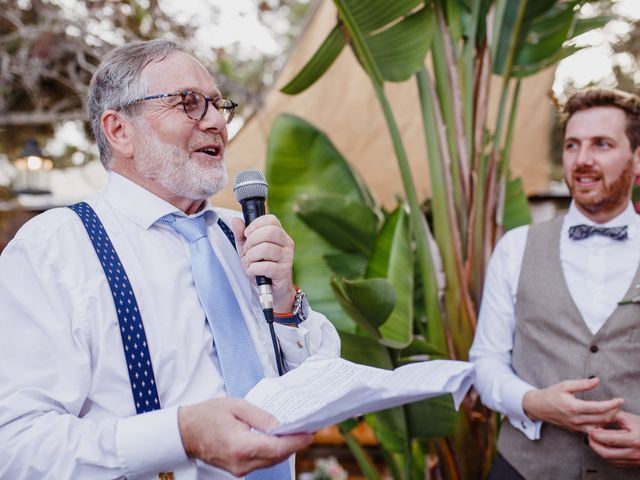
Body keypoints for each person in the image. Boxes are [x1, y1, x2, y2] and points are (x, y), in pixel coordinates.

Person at [0, 39, 340, 479]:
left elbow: (317, 385)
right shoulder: (54, 249)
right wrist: (179, 436)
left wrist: (284, 301)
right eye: (190, 103)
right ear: (120, 131)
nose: (217, 121)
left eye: (219, 105)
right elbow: (15, 444)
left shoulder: (239, 234)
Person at [470, 87, 640, 479]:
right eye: (572, 145)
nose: (582, 160)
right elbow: (486, 359)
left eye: (602, 145)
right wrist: (532, 401)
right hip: (524, 468)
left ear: (636, 157)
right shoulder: (516, 248)